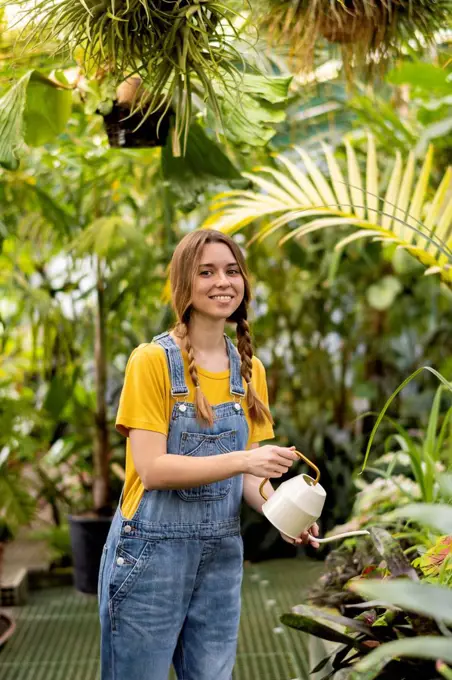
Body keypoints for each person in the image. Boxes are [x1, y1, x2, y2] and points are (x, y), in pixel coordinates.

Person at [98, 229, 320, 680]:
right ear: (185, 284)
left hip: (220, 558)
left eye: (232, 270)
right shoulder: (152, 361)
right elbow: (153, 469)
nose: (223, 281)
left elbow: (250, 480)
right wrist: (243, 460)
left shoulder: (249, 369)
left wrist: (283, 512)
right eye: (207, 272)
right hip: (149, 556)